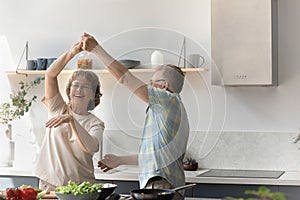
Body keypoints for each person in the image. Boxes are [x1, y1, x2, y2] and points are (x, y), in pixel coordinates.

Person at [82, 32, 189, 199]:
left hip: (160, 187)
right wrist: (120, 160)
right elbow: (154, 159)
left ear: (164, 86)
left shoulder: (168, 100)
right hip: (167, 186)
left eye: (152, 82)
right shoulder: (173, 110)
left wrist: (96, 49)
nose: (149, 86)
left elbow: (125, 79)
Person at [35, 41, 105, 191]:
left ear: (93, 95)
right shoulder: (57, 108)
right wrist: (72, 52)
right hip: (50, 185)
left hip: (80, 188)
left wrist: (72, 121)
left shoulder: (95, 123)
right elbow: (50, 74)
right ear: (69, 89)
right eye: (76, 85)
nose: (79, 89)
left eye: (85, 87)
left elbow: (92, 147)